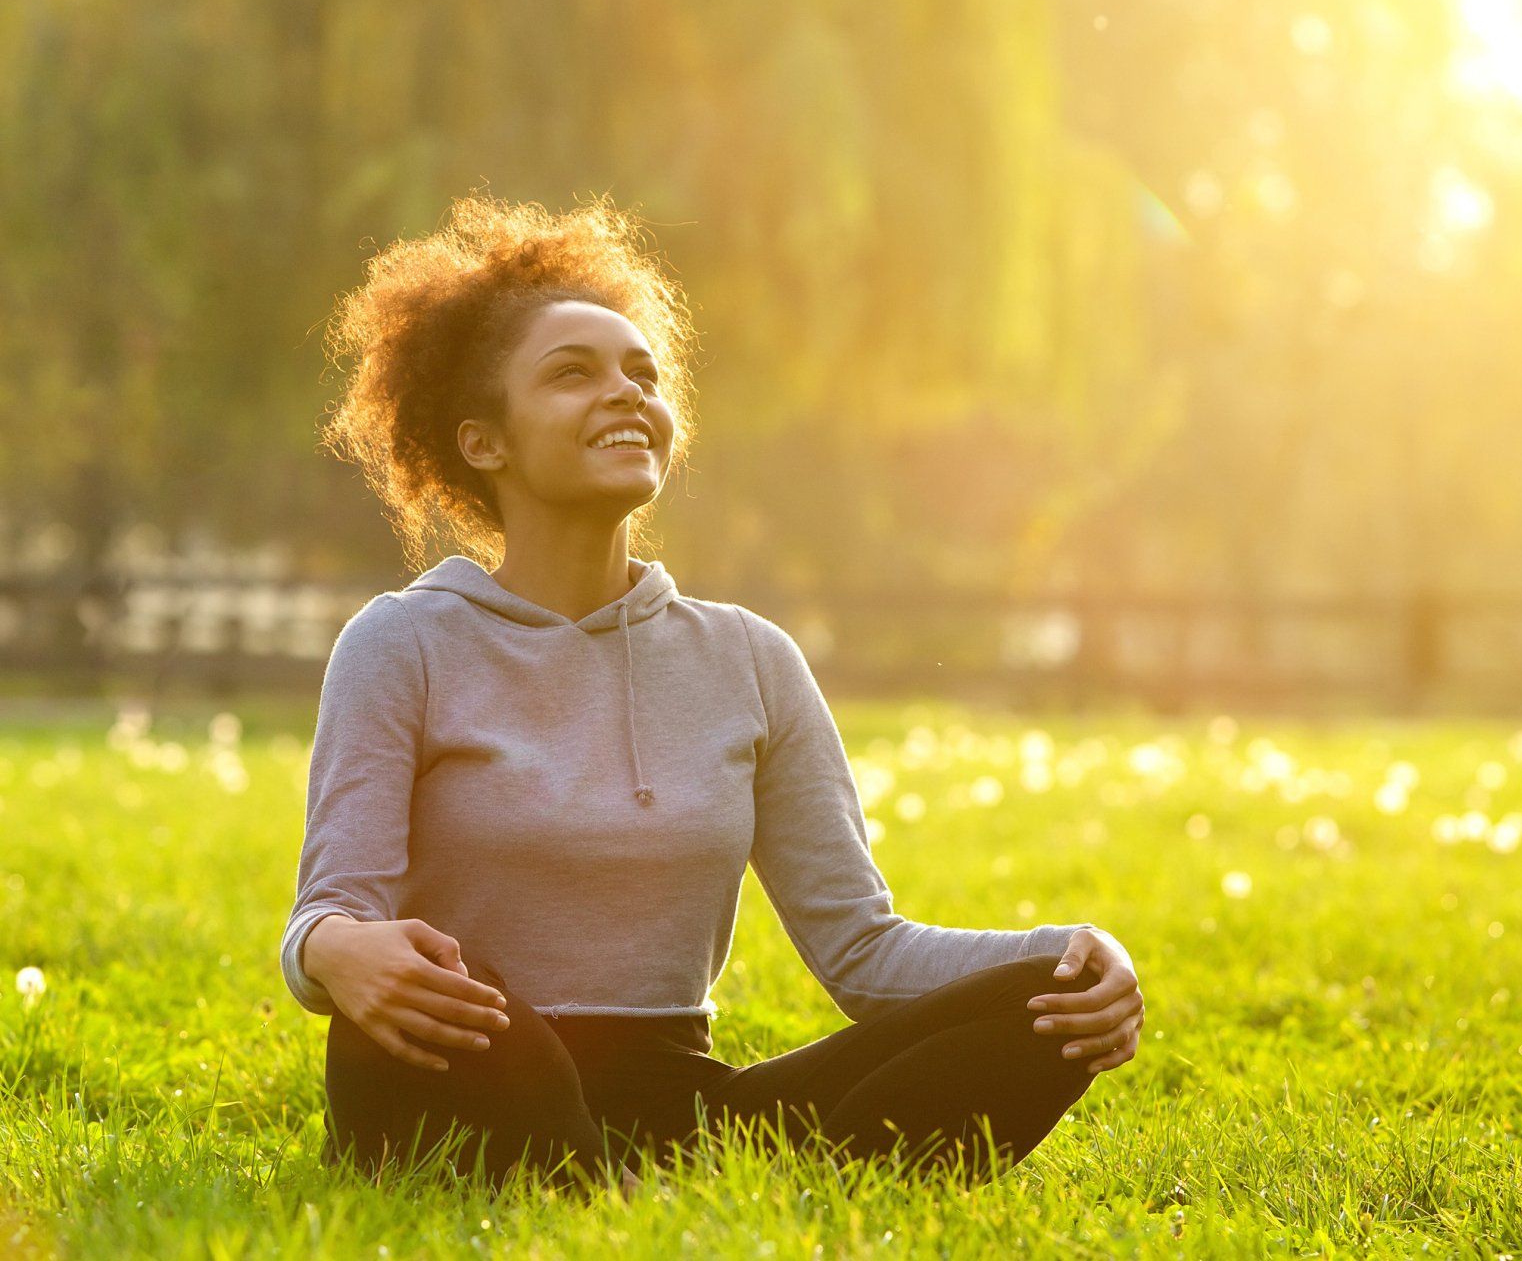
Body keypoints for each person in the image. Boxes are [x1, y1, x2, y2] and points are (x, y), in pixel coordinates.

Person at [280, 193, 1146, 1196]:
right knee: (474, 1019)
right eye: (573, 374)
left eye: (642, 374)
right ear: (485, 441)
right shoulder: (402, 642)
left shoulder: (748, 657)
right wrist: (340, 952)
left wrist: (1081, 955)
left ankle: (608, 1181)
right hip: (465, 1059)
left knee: (1049, 1001)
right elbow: (330, 915)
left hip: (680, 1102)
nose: (625, 393)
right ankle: (616, 1182)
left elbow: (864, 949)